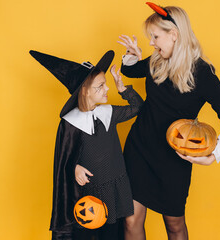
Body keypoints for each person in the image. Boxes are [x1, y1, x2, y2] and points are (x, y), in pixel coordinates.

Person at [117, 3, 220, 240]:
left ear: (173, 35)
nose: (151, 43)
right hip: (139, 149)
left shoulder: (203, 73)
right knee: (131, 219)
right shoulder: (157, 61)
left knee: (174, 225)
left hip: (173, 160)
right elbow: (130, 71)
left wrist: (213, 155)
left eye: (155, 37)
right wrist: (132, 56)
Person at [29, 50, 143, 240]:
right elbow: (64, 159)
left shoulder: (108, 113)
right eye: (100, 86)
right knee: (90, 235)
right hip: (91, 193)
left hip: (116, 186)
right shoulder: (71, 123)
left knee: (113, 234)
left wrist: (122, 88)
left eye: (105, 84)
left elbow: (138, 107)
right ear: (85, 91)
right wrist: (74, 167)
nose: (107, 89)